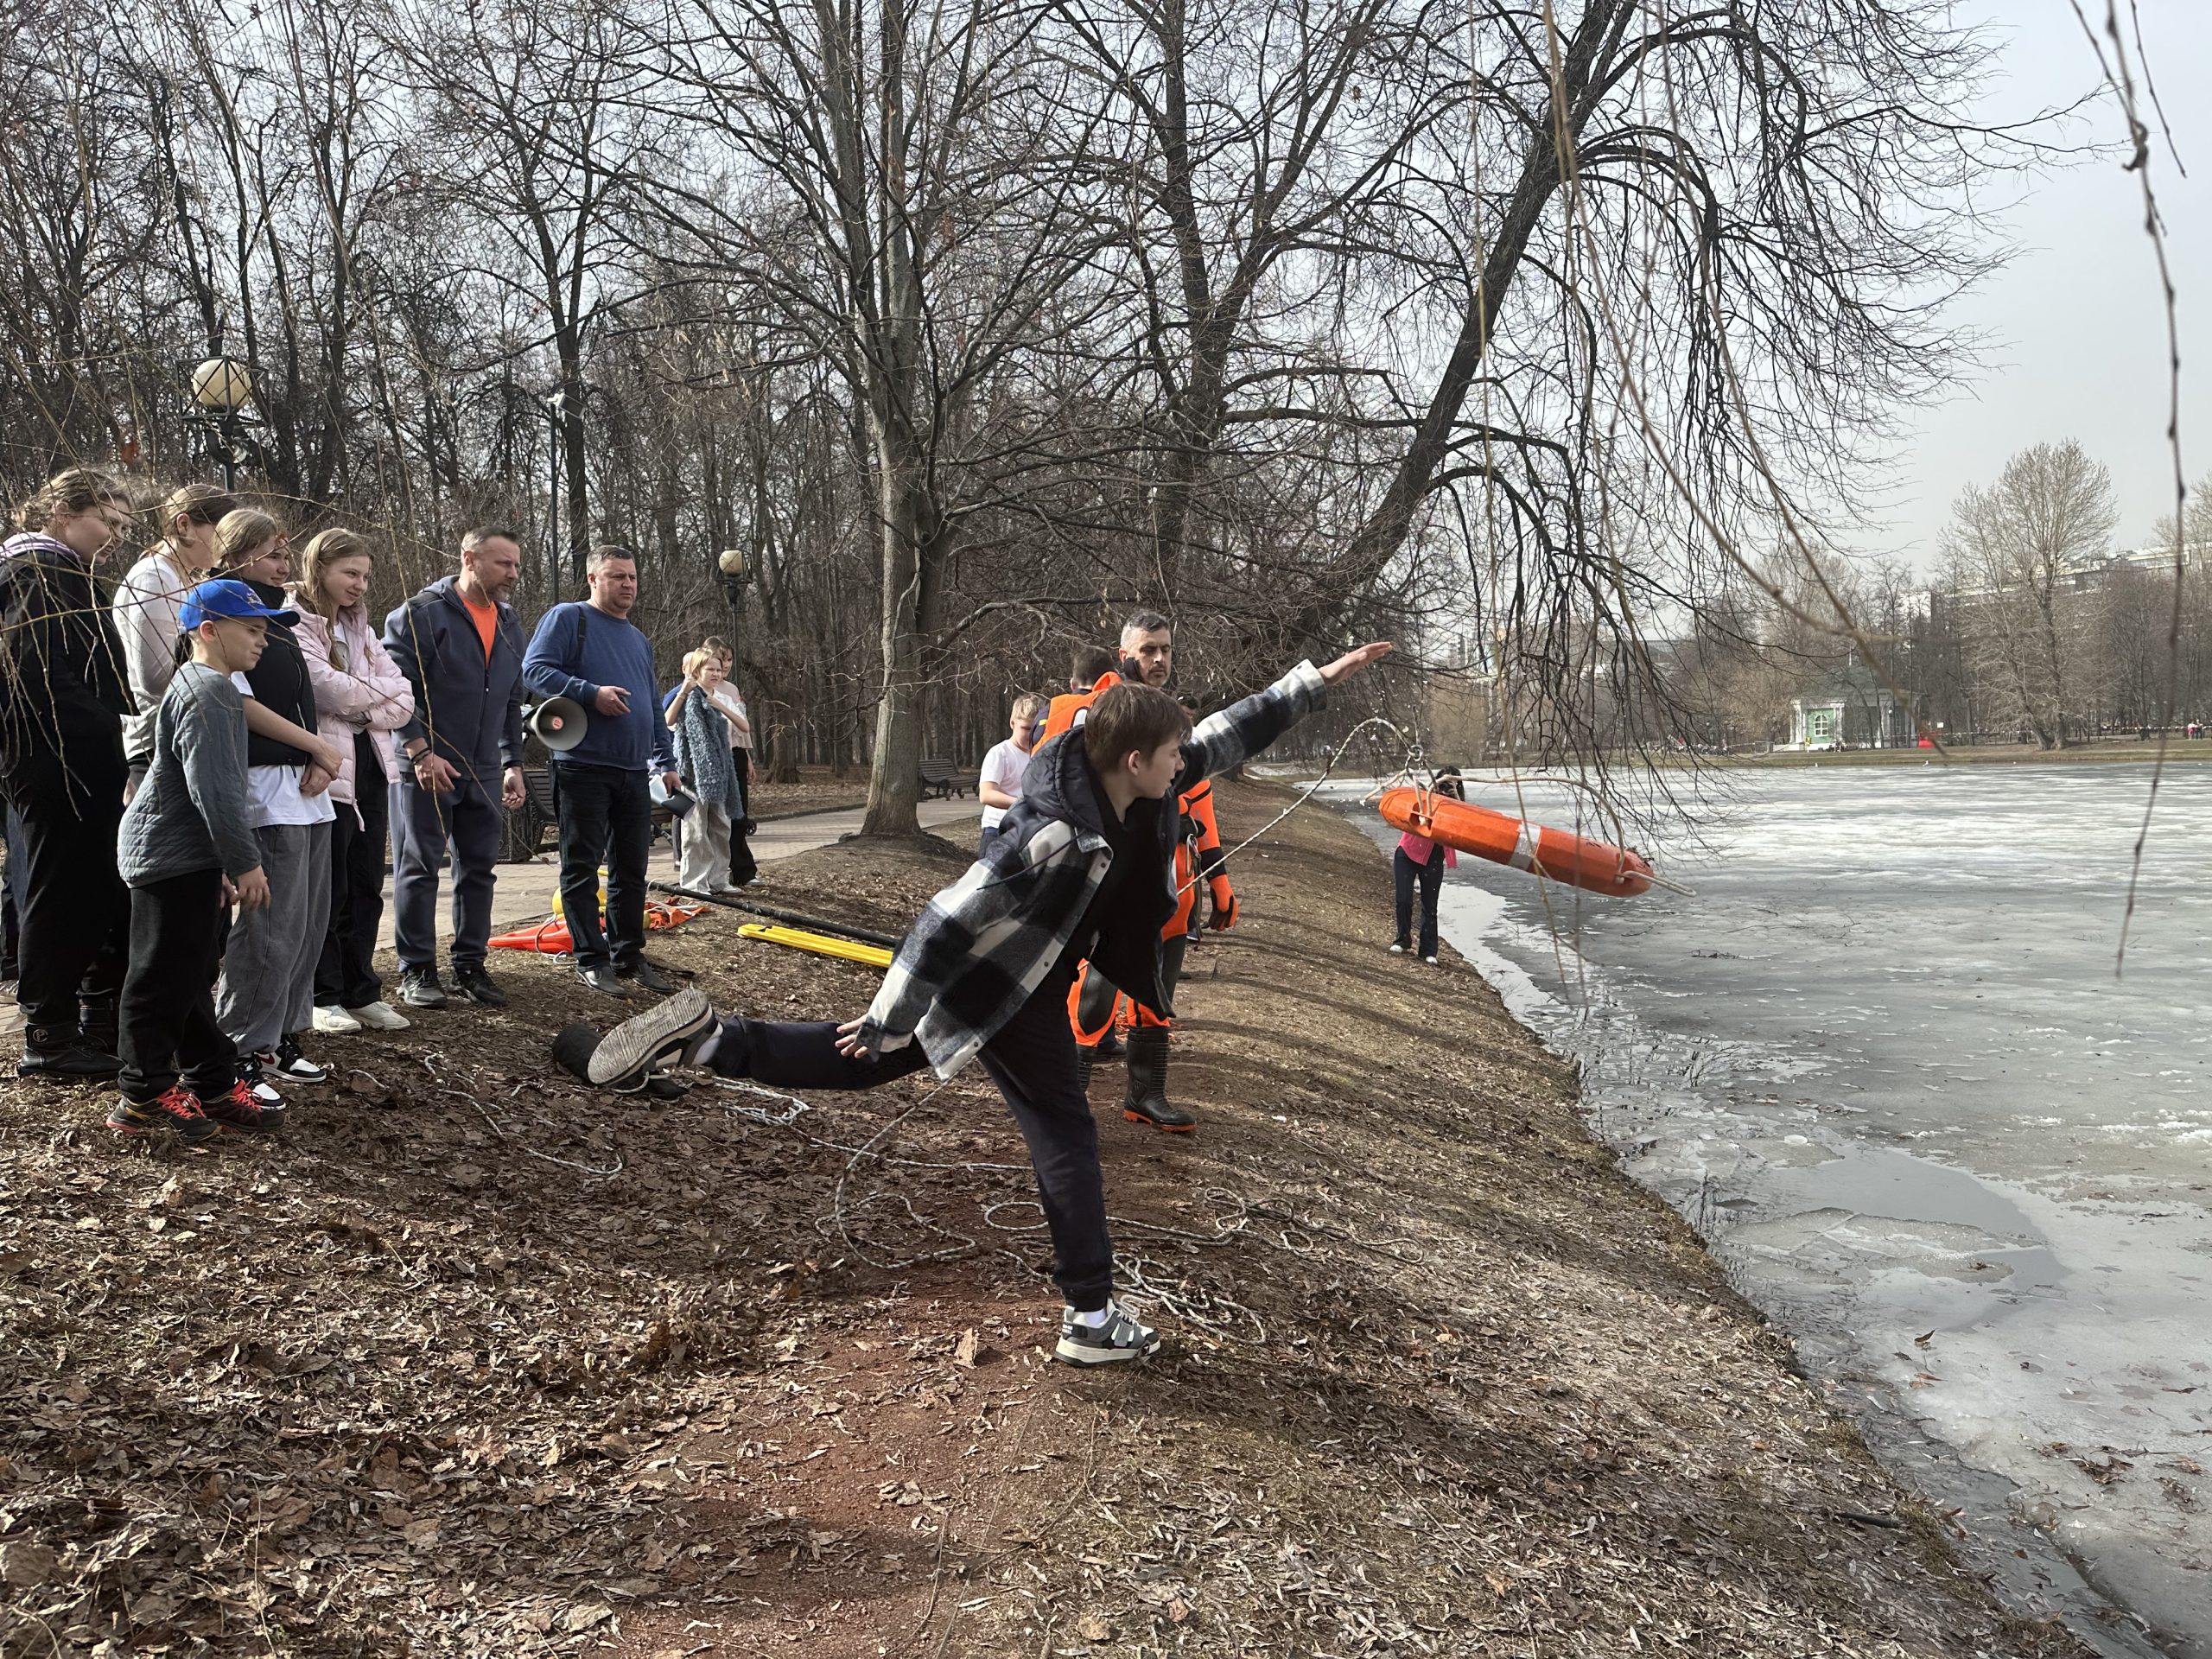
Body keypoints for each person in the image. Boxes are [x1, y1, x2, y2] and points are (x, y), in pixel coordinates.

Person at [576, 642, 1392, 1366]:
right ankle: (1091, 1314)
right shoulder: (1051, 832)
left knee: (858, 1068)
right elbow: (945, 919)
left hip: (1019, 981)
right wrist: (894, 1012)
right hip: (1006, 990)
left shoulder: (1137, 786)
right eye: (1172, 751)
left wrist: (1313, 682)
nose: (1187, 760)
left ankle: (714, 1040)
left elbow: (1227, 731)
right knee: (1065, 1136)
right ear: (1138, 759)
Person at [1039, 613, 1237, 1131]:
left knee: (1157, 990)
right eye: (1148, 650)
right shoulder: (1092, 711)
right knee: (1092, 994)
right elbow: (1050, 785)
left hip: (1172, 881)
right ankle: (1067, 1103)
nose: (1159, 659)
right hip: (1108, 882)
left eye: (1166, 649)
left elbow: (1201, 803)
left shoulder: (1172, 722)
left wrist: (1220, 884)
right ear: (1125, 652)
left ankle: (1145, 1094)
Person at [110, 580, 290, 1141]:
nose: (263, 642)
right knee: (162, 977)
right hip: (168, 855)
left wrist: (218, 865)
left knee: (190, 975)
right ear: (209, 631)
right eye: (253, 630)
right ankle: (142, 1096)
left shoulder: (209, 687)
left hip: (188, 856)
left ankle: (211, 1081)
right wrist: (243, 862)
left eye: (266, 630)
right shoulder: (208, 689)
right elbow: (215, 790)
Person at [0, 469, 136, 1077]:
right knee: (62, 889)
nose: (115, 536)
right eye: (107, 521)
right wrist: (117, 725)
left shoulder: (60, 574)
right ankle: (48, 1035)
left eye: (123, 527)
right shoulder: (38, 576)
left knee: (87, 887)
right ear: (62, 511)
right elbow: (35, 679)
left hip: (70, 757)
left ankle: (79, 1020)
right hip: (57, 760)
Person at [210, 510, 346, 1104]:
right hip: (265, 788)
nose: (283, 564)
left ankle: (283, 1036)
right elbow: (236, 704)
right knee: (271, 928)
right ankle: (238, 1047)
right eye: (270, 553)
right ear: (236, 553)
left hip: (306, 790)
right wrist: (313, 744)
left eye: (285, 554)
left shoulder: (282, 619)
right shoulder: (223, 611)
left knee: (309, 923)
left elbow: (303, 694)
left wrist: (320, 752)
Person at [521, 544, 681, 998]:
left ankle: (628, 954)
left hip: (633, 772)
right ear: (593, 579)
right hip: (581, 767)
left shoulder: (638, 639)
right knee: (582, 867)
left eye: (631, 577)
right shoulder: (570, 618)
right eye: (616, 577)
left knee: (632, 869)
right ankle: (590, 959)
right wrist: (589, 693)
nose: (627, 585)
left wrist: (665, 762)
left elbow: (651, 706)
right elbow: (533, 671)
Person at [384, 526, 528, 1009]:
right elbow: (394, 692)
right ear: (469, 558)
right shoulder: (419, 614)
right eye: (503, 563)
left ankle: (470, 963)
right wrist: (419, 752)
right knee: (420, 865)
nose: (513, 573)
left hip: (485, 769)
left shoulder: (509, 622)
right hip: (427, 765)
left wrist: (512, 761)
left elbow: (512, 698)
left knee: (480, 868)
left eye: (515, 564)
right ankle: (417, 969)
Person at [291, 529, 416, 1034]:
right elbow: (322, 688)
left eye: (365, 575)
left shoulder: (361, 627)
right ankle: (323, 995)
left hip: (370, 767)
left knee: (367, 884)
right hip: (326, 770)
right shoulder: (296, 619)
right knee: (331, 887)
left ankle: (361, 989)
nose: (360, 584)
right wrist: (372, 698)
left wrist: (361, 698)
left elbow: (405, 696)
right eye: (350, 573)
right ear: (319, 567)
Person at [113, 483, 236, 800]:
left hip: (182, 735)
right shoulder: (154, 578)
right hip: (155, 745)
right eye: (221, 532)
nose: (226, 544)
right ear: (185, 525)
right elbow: (155, 681)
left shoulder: (185, 579)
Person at [666, 647, 744, 895]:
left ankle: (719, 879)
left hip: (721, 772)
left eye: (719, 669)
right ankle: (694, 883)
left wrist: (719, 705)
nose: (716, 674)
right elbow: (667, 720)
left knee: (722, 827)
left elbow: (743, 727)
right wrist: (683, 692)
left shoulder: (720, 698)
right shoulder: (688, 696)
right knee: (696, 830)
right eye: (710, 669)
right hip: (693, 773)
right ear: (697, 671)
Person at [1392, 767, 1464, 965]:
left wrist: (1454, 795)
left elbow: (1461, 824)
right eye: (1443, 784)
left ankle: (1428, 950)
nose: (1446, 788)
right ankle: (1402, 939)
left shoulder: (1457, 806)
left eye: (1452, 785)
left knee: (1429, 906)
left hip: (1433, 858)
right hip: (1407, 851)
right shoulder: (1426, 797)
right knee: (1404, 900)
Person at [977, 693, 1046, 848]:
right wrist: (1023, 804)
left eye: (1036, 728)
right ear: (1012, 724)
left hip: (1029, 832)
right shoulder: (1000, 753)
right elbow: (986, 794)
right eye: (1026, 728)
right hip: (997, 831)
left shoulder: (1042, 754)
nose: (1031, 734)